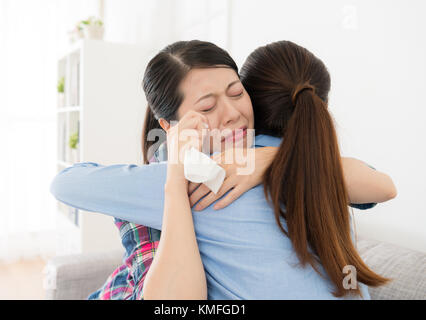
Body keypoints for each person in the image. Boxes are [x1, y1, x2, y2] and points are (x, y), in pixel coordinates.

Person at [50, 40, 396, 299]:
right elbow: (383, 187)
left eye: (236, 93)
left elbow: (65, 184)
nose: (231, 113)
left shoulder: (204, 178)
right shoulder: (319, 165)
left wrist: (181, 170)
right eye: (208, 105)